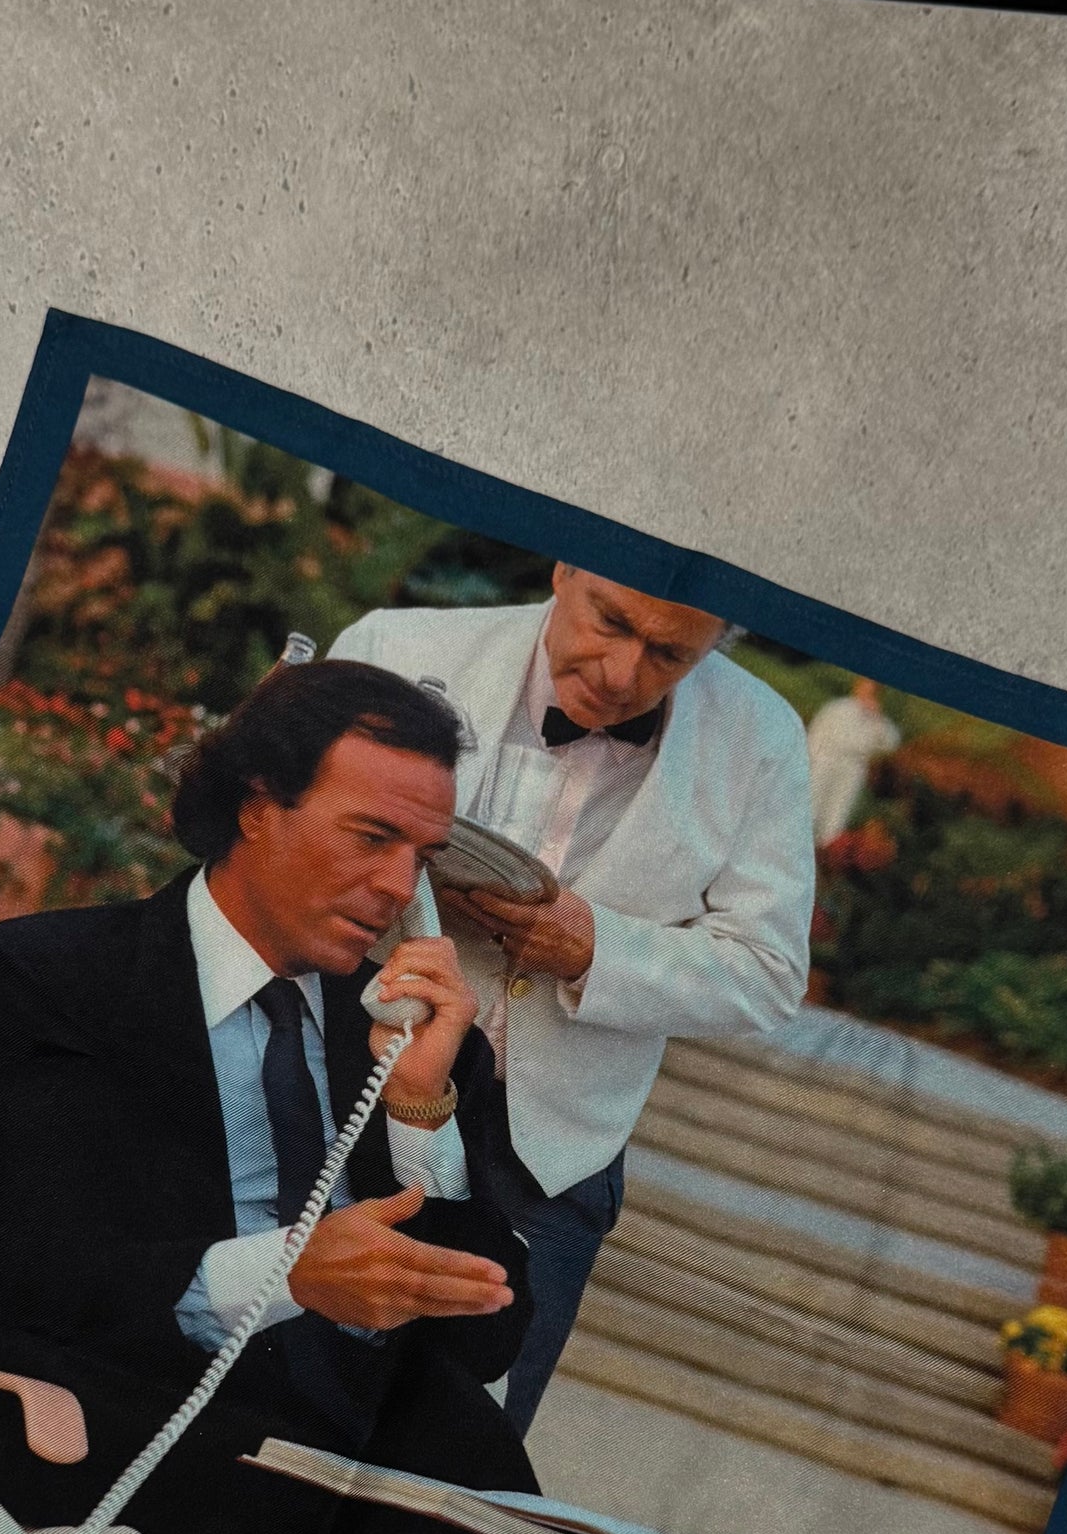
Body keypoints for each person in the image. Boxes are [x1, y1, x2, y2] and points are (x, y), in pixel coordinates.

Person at [0, 654, 695, 1534]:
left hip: (388, 1469)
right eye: (369, 837)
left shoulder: (395, 1034)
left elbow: (487, 1333)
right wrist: (284, 1275)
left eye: (419, 856)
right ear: (255, 806)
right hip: (152, 1446)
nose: (395, 887)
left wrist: (425, 1112)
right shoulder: (44, 980)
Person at [328, 565, 816, 1428]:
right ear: (565, 571)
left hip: (549, 1159)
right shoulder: (395, 648)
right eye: (610, 622)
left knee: (463, 1450)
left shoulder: (762, 737)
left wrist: (597, 949)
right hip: (339, 1080)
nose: (624, 674)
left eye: (669, 654)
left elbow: (771, 972)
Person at [805, 677, 900, 845]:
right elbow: (816, 732)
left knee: (838, 811)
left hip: (853, 766)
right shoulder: (837, 708)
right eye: (866, 687)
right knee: (813, 803)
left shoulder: (876, 718)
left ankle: (825, 848)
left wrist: (876, 718)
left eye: (873, 690)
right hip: (827, 760)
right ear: (858, 686)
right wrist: (812, 759)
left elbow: (890, 744)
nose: (868, 692)